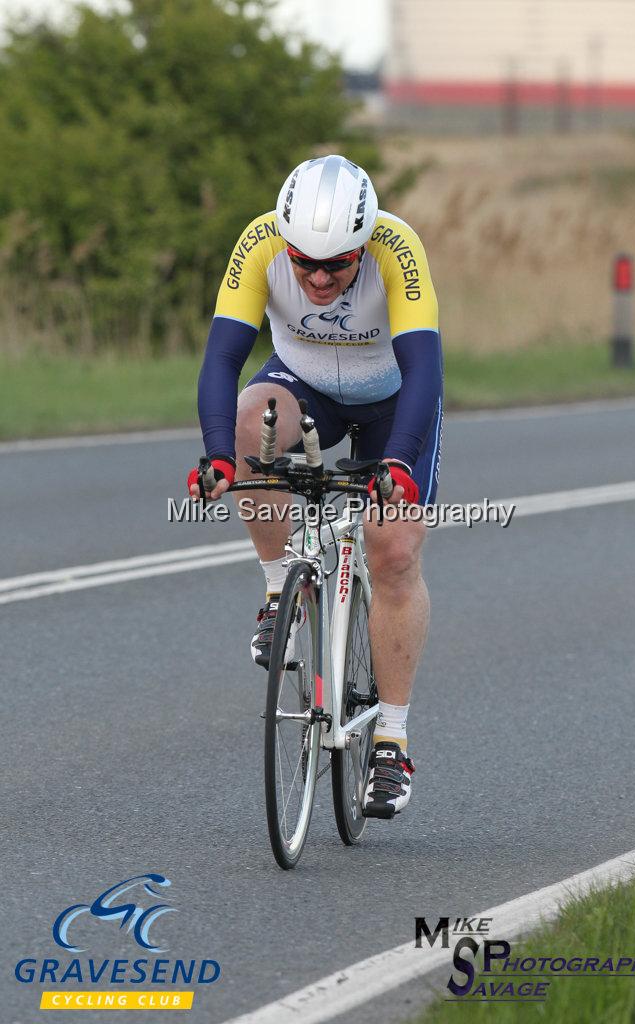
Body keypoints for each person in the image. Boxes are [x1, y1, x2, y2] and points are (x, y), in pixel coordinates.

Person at [188, 155, 443, 818]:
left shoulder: (397, 247)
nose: (322, 278)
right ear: (286, 244)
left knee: (391, 548)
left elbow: (424, 373)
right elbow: (221, 359)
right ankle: (280, 593)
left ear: (364, 245)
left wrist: (398, 465)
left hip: (392, 399)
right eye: (306, 264)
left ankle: (390, 737)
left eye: (340, 264)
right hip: (304, 387)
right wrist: (219, 459)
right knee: (250, 418)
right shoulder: (260, 242)